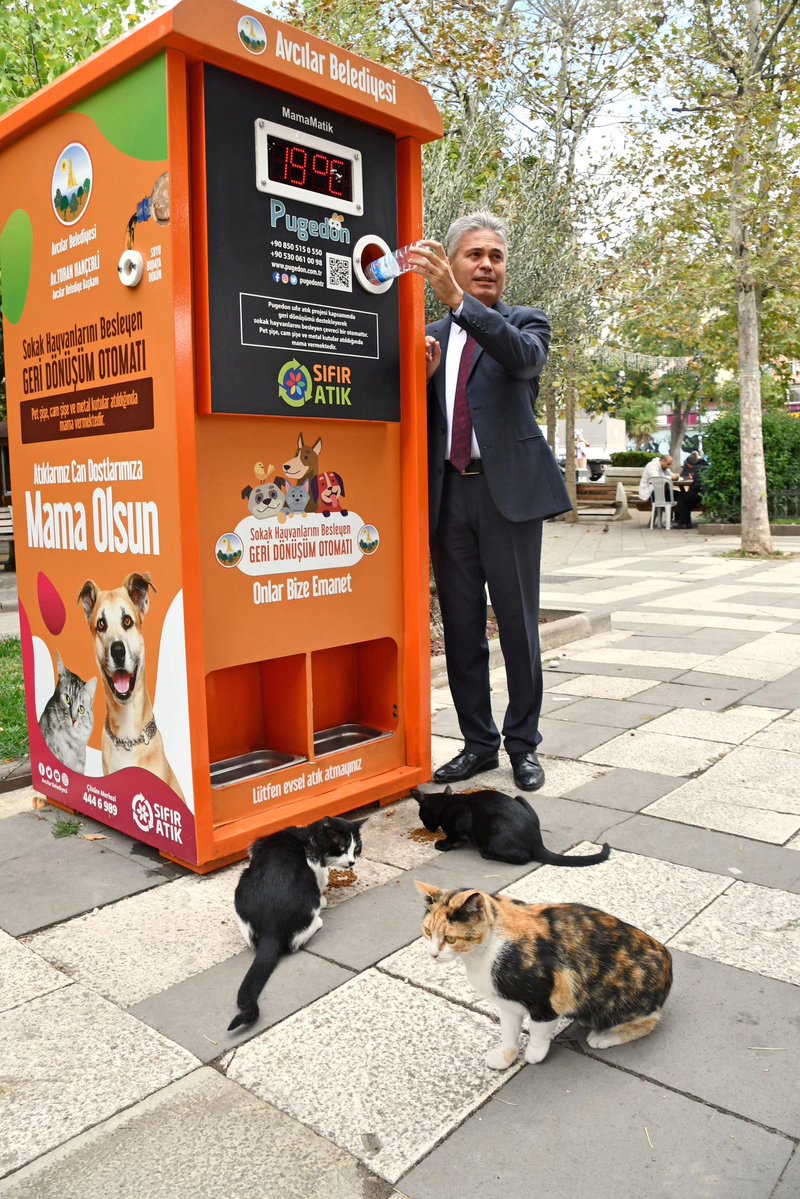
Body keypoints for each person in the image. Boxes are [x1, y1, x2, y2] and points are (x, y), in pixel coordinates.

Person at [412, 212, 571, 792]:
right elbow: (414, 416)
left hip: (509, 499)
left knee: (519, 627)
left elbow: (523, 359)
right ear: (452, 260)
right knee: (460, 629)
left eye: (496, 256)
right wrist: (420, 377)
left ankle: (523, 745)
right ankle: (478, 745)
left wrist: (459, 304)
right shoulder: (426, 334)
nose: (486, 265)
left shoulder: (524, 323)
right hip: (449, 495)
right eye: (474, 254)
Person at [674, 453, 707, 529]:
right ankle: (686, 523)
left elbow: (697, 486)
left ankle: (683, 522)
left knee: (680, 496)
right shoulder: (705, 466)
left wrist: (692, 488)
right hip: (707, 494)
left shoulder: (697, 469)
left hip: (701, 495)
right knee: (686, 499)